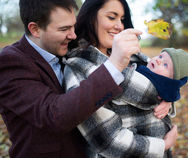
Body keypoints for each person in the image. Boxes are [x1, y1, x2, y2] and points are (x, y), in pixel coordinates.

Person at [0, 0, 142, 157]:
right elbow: (53, 115)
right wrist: (114, 66)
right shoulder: (10, 62)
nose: (73, 35)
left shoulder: (67, 49)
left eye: (73, 26)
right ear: (35, 29)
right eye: (64, 29)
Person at [64, 0, 181, 157]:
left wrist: (168, 100)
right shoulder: (78, 67)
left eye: (122, 19)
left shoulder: (131, 55)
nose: (119, 25)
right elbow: (109, 141)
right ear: (91, 17)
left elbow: (162, 80)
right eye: (112, 17)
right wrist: (163, 145)